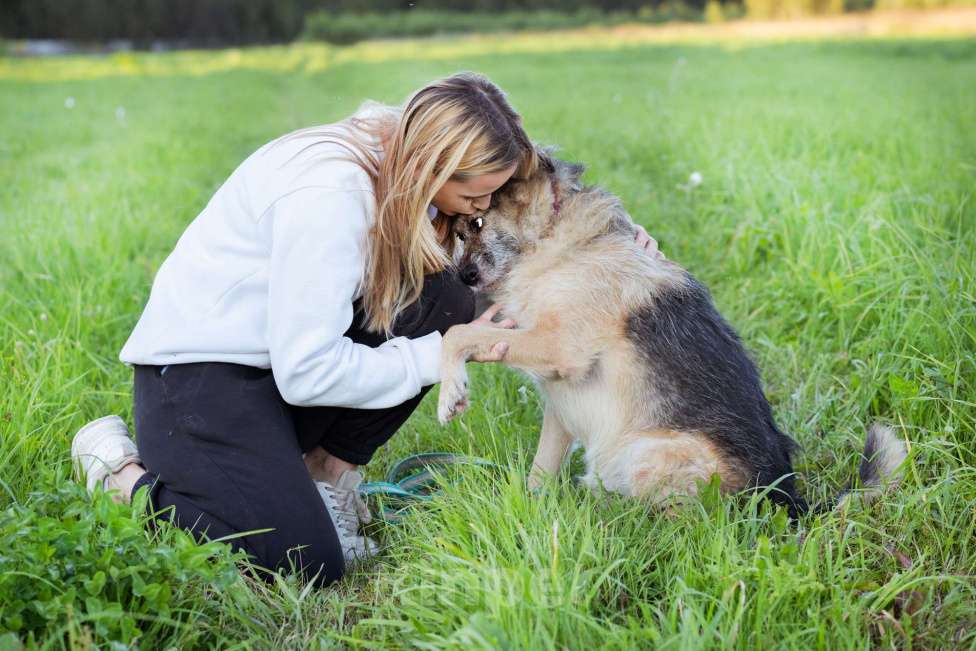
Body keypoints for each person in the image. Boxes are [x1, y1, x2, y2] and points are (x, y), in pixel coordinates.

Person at [71, 72, 663, 587]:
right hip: (200, 379)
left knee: (451, 296)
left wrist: (618, 238)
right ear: (434, 164)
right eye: (474, 195)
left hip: (274, 369)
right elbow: (307, 372)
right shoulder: (329, 196)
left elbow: (538, 203)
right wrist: (439, 356)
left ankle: (323, 476)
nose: (481, 212)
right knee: (306, 562)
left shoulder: (403, 156)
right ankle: (122, 477)